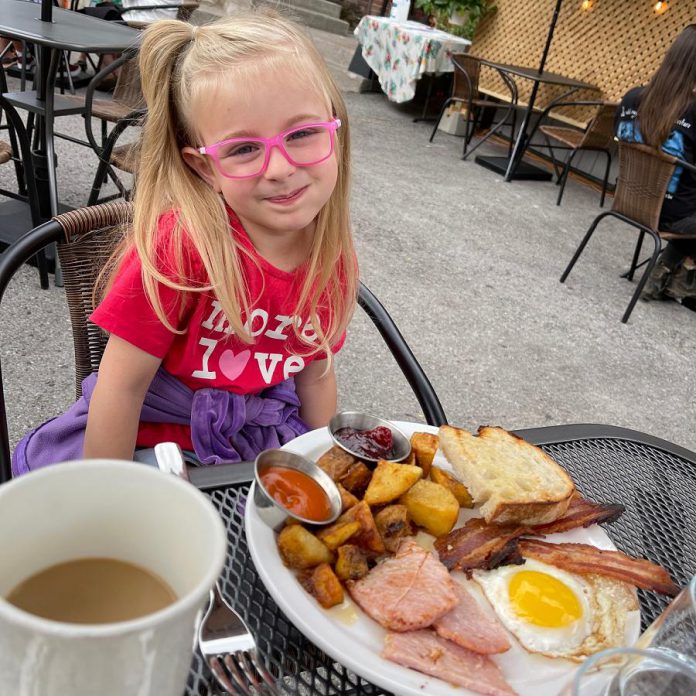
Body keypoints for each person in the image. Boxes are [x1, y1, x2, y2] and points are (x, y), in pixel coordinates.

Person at [12, 12, 358, 475]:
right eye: (243, 149)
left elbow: (316, 372)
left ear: (334, 129)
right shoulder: (180, 250)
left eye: (301, 133)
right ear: (203, 168)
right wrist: (107, 500)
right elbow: (121, 389)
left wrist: (331, 470)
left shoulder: (330, 257)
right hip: (156, 438)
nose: (279, 167)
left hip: (251, 436)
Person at [615, 23, 696, 304]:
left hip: (629, 198)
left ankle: (672, 271)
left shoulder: (632, 97)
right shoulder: (693, 111)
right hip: (671, 215)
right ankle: (678, 272)